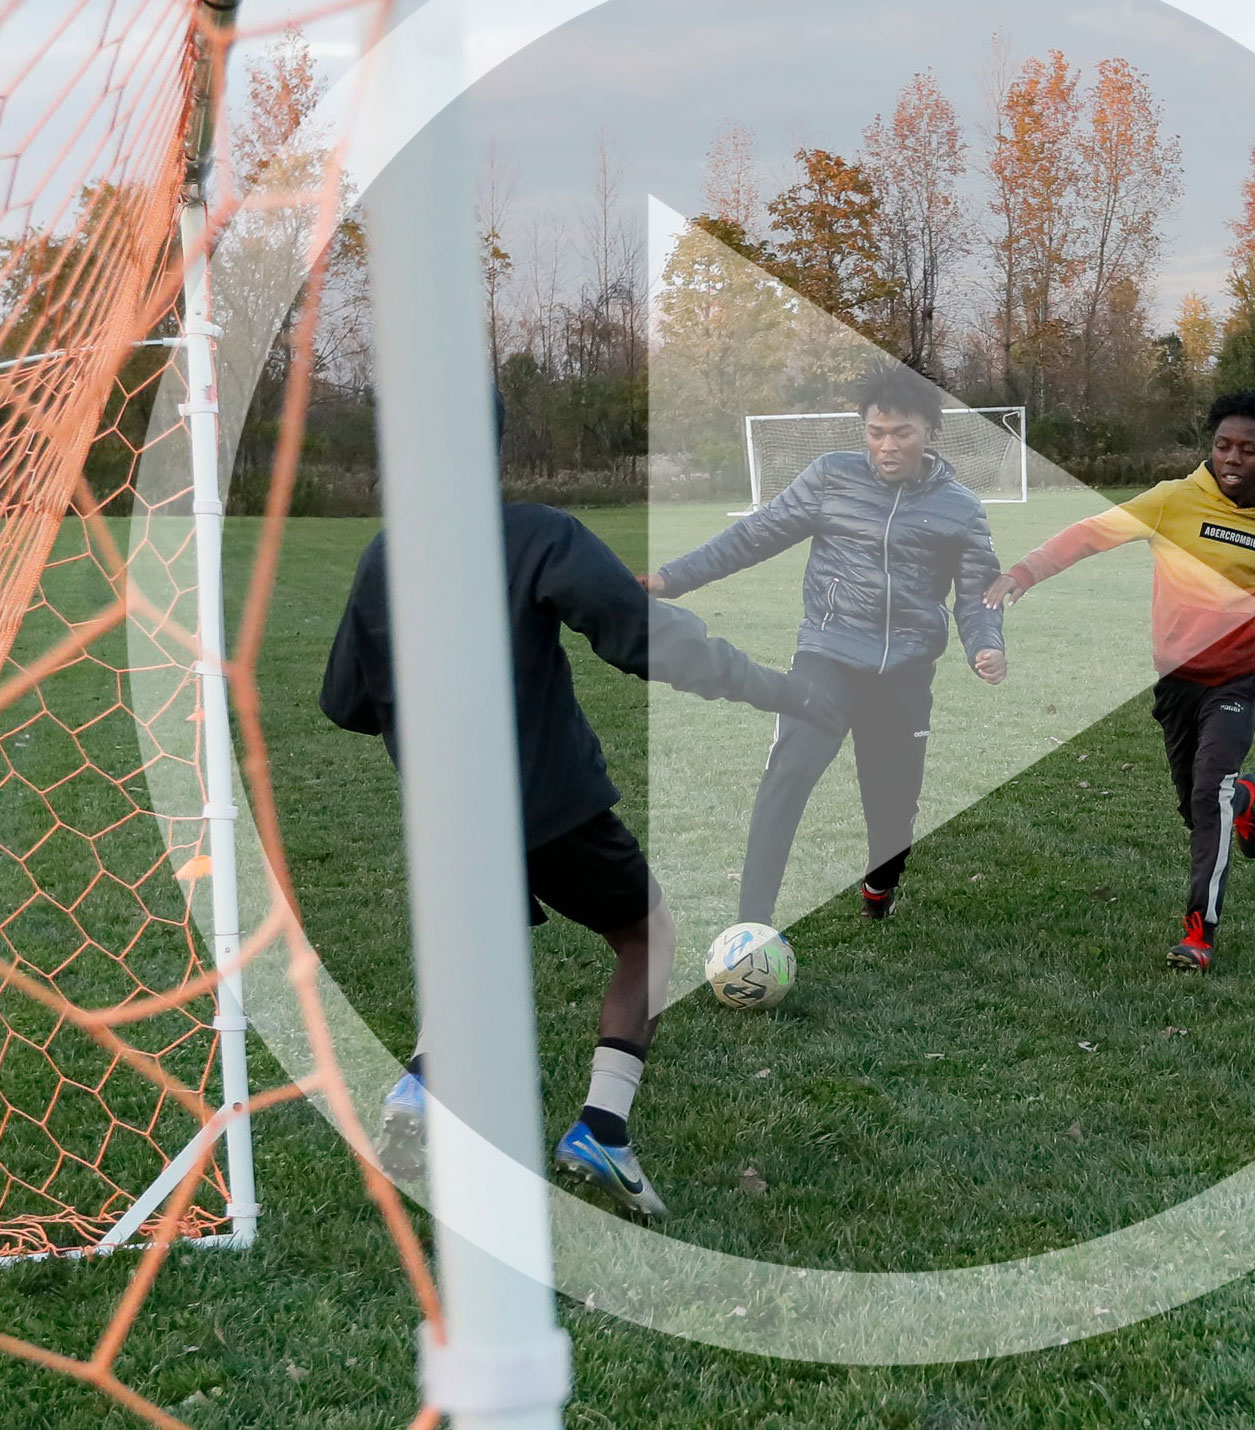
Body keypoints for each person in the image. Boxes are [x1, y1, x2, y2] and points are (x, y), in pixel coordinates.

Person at [320, 398, 841, 1220]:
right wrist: (779, 688)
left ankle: (422, 1087)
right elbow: (647, 639)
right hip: (550, 802)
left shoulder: (387, 557)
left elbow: (343, 702)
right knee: (648, 935)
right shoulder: (536, 535)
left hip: (448, 817)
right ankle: (603, 1125)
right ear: (494, 450)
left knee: (476, 944)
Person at [643, 361, 1006, 925]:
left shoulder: (959, 506)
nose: (886, 446)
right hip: (828, 657)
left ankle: (879, 888)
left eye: (901, 433)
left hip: (906, 675)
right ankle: (752, 927)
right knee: (789, 774)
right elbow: (755, 534)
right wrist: (671, 579)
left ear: (929, 431)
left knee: (893, 812)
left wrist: (985, 644)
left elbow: (977, 591)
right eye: (874, 432)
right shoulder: (830, 478)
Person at [984, 391, 1255, 972]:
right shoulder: (1171, 500)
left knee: (1209, 796)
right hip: (1177, 681)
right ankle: (1244, 800)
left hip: (1238, 681)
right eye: (1223, 445)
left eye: (1248, 450)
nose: (1232, 458)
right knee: (1197, 806)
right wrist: (1026, 570)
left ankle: (1198, 933)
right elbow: (1089, 533)